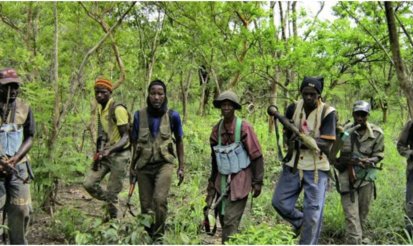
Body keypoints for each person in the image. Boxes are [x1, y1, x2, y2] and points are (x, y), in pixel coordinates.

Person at [268, 76, 336, 245]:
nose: (308, 97)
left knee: (313, 214)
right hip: (294, 164)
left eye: (312, 94)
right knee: (279, 202)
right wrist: (291, 135)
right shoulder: (293, 107)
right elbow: (286, 137)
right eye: (305, 93)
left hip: (316, 168)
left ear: (319, 94)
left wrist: (302, 140)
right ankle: (299, 221)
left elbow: (327, 145)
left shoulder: (328, 112)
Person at [130, 80, 184, 243]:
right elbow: (134, 142)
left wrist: (181, 167)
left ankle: (159, 237)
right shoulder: (139, 115)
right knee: (146, 206)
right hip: (144, 166)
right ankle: (149, 235)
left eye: (160, 93)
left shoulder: (173, 115)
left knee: (159, 200)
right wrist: (132, 167)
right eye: (153, 93)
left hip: (164, 164)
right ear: (148, 95)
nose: (156, 97)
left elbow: (179, 140)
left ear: (165, 95)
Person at [207, 90, 264, 243]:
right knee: (223, 216)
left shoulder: (244, 128)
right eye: (223, 105)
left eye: (229, 105)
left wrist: (257, 182)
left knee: (231, 220)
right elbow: (214, 157)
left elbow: (257, 155)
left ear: (234, 107)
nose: (226, 108)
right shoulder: (216, 130)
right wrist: (212, 181)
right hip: (222, 178)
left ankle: (228, 242)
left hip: (241, 178)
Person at [335, 101, 384, 244]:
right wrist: (337, 162)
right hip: (346, 177)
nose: (360, 118)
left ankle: (357, 238)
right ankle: (354, 240)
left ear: (368, 115)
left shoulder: (377, 133)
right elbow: (333, 151)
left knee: (362, 213)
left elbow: (379, 154)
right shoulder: (344, 132)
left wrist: (370, 160)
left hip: (365, 178)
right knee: (351, 215)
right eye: (358, 115)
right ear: (353, 114)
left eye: (363, 115)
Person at [83, 78, 130, 220]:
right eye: (96, 92)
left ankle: (113, 222)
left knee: (112, 191)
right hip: (107, 152)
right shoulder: (100, 108)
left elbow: (126, 137)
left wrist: (110, 150)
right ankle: (111, 201)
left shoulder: (118, 109)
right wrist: (98, 154)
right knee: (89, 183)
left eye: (102, 92)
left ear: (110, 92)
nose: (99, 96)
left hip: (120, 155)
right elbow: (101, 133)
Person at [0, 68, 36, 244]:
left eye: (15, 86)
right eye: (7, 87)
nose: (12, 91)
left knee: (21, 210)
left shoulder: (24, 107)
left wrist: (16, 157)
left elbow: (30, 136)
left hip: (18, 166)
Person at [397, 116, 413, 238]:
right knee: (411, 204)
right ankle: (409, 235)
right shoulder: (411, 124)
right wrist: (411, 153)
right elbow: (401, 146)